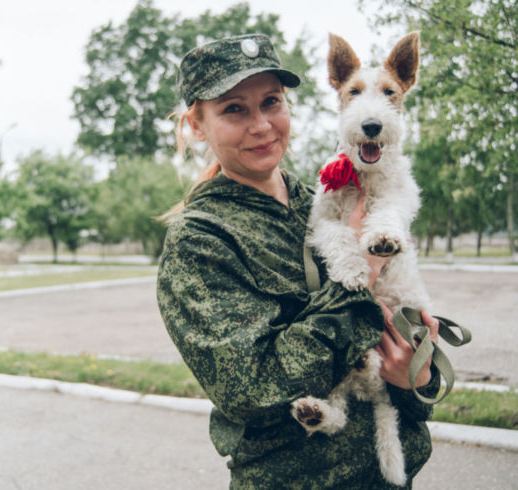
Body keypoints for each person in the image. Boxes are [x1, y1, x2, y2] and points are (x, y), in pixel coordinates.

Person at [156, 34, 440, 489]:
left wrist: (418, 378)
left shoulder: (327, 198)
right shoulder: (200, 240)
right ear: (197, 125)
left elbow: (406, 345)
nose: (262, 125)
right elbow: (250, 388)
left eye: (272, 102)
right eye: (234, 109)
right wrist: (361, 272)